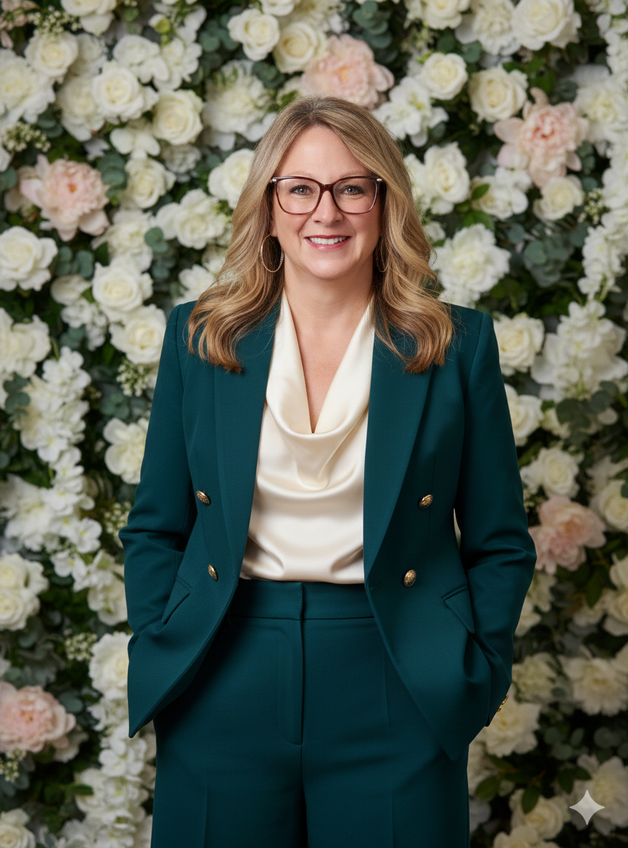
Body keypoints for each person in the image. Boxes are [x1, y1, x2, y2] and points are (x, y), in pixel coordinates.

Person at [121, 95, 537, 848]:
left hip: (396, 675)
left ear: (384, 203)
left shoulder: (454, 343)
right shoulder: (200, 337)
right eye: (301, 188)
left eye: (353, 187)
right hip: (223, 669)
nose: (328, 212)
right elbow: (157, 524)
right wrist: (161, 641)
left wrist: (471, 670)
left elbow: (500, 538)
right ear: (270, 206)